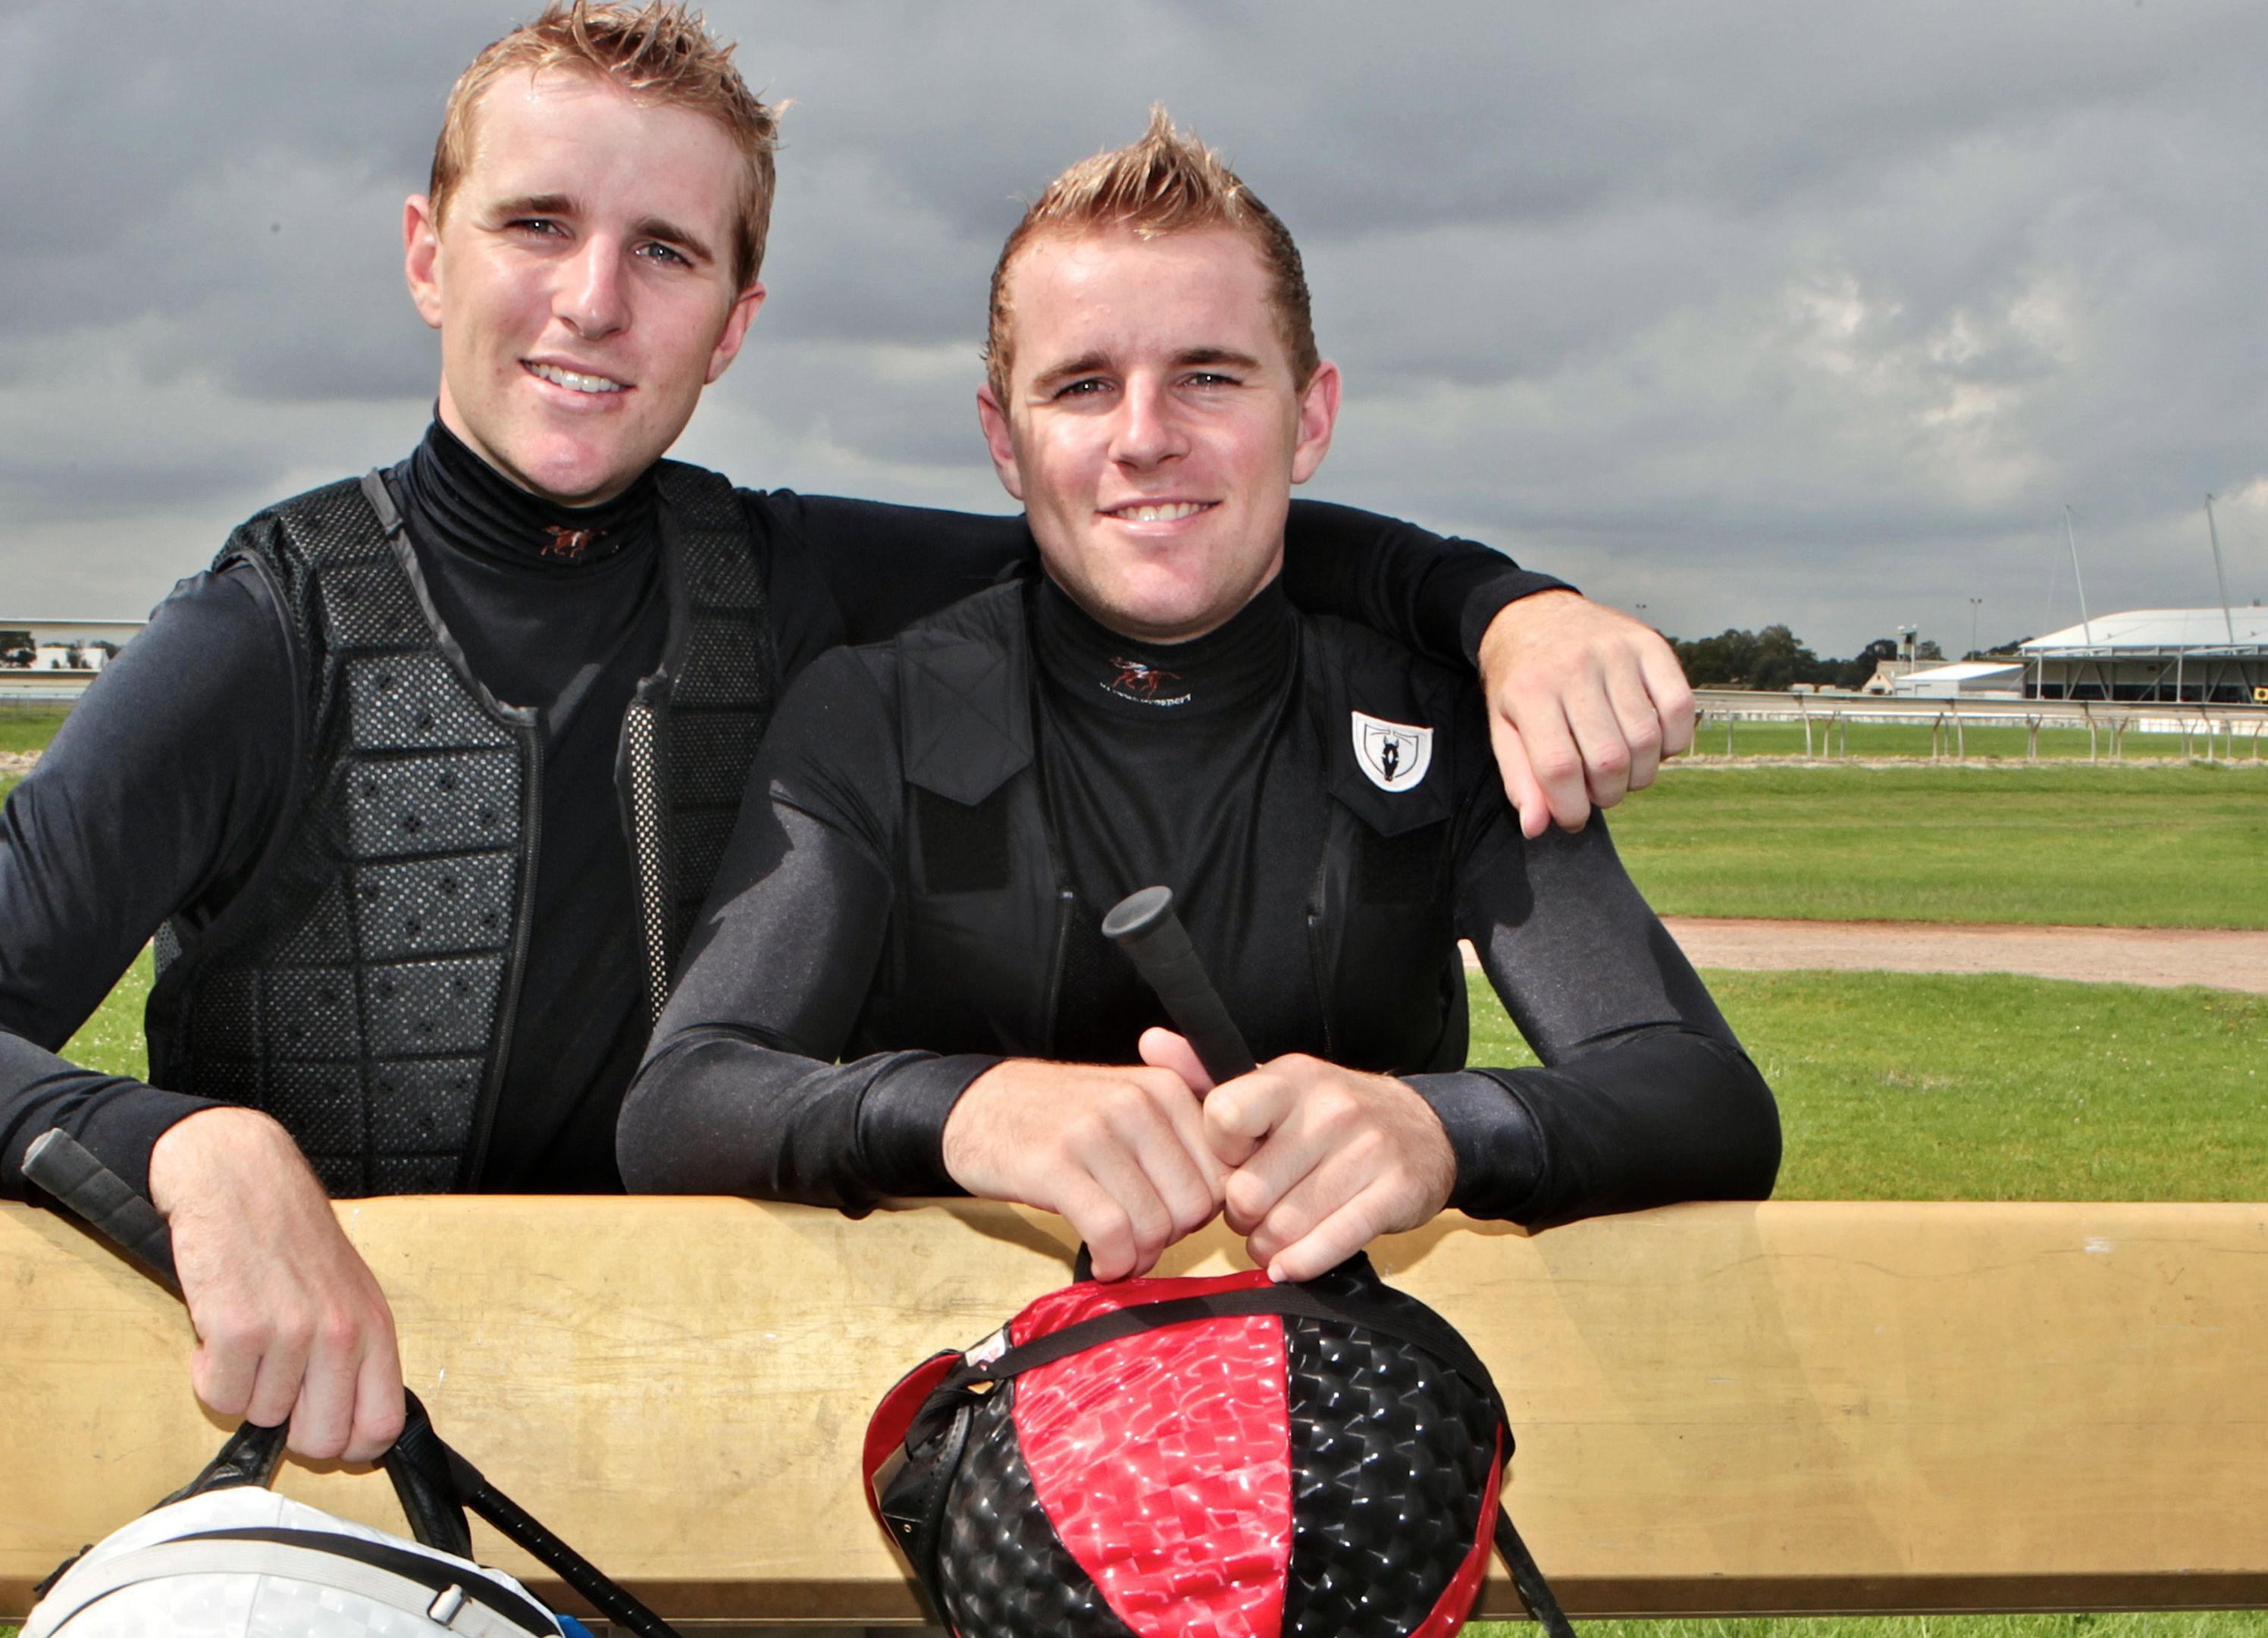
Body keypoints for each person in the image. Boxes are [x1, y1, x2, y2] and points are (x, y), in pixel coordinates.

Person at [0, 5, 1698, 1467]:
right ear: (424, 252)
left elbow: (1182, 524)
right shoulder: (268, 629)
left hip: (710, 1405)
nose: (591, 300)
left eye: (667, 251)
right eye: (535, 224)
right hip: (332, 1439)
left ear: (734, 321)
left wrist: (1494, 607)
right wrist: (177, 1146)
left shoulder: (789, 576)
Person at [619, 111, 1780, 1283]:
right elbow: (682, 1099)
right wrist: (969, 1108)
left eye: (1209, 377)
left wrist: (1438, 1126)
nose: (1144, 437)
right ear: (1005, 443)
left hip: (1355, 1421)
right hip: (961, 1423)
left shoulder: (1445, 723)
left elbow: (1705, 1095)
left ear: (1310, 415)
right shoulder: (874, 711)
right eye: (1080, 386)